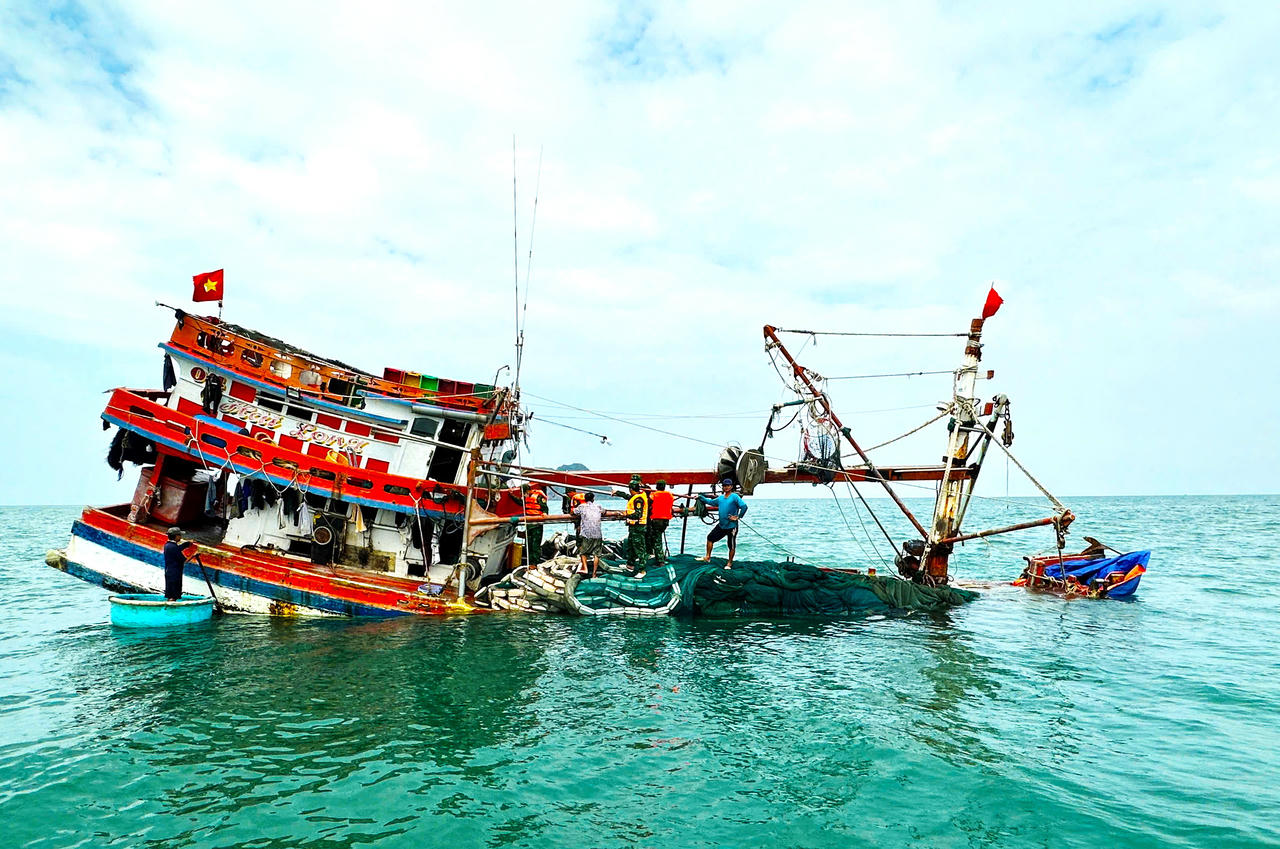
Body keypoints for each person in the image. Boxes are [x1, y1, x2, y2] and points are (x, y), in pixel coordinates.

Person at [697, 479, 748, 568]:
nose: (726, 487)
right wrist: (700, 497)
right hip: (722, 525)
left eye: (728, 485)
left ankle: (729, 563)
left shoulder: (735, 497)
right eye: (724, 486)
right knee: (710, 538)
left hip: (732, 526)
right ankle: (708, 557)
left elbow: (744, 506)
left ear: (731, 487)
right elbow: (711, 502)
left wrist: (738, 517)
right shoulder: (720, 498)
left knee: (731, 545)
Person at [572, 491, 605, 577]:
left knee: (583, 552)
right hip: (598, 534)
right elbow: (604, 511)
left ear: (585, 499)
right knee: (597, 554)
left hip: (587, 534)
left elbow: (573, 512)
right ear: (593, 499)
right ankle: (594, 574)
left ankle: (585, 568)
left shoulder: (582, 507)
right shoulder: (598, 506)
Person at [623, 476, 650, 576]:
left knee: (639, 548)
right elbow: (626, 496)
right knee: (631, 546)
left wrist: (625, 515)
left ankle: (642, 570)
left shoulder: (639, 499)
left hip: (638, 526)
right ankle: (630, 565)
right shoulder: (636, 496)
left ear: (631, 489)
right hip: (633, 526)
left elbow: (638, 514)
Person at [646, 480, 674, 567]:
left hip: (656, 519)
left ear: (657, 486)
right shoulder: (670, 495)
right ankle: (658, 556)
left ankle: (660, 561)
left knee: (657, 540)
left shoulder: (654, 495)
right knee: (657, 537)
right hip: (665, 520)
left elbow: (647, 503)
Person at [522, 483, 549, 565]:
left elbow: (545, 507)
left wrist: (545, 513)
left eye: (524, 492)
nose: (523, 494)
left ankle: (535, 563)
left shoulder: (538, 497)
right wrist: (512, 495)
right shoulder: (525, 498)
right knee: (528, 545)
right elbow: (520, 503)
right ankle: (529, 563)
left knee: (535, 545)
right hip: (529, 524)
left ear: (528, 491)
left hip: (537, 524)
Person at [162, 527, 189, 600]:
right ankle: (171, 609)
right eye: (180, 535)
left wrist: (186, 545)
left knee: (170, 593)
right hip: (175, 573)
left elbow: (177, 549)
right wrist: (195, 554)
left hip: (169, 571)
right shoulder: (174, 547)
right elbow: (183, 559)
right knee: (174, 595)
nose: (180, 537)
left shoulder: (167, 545)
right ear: (176, 536)